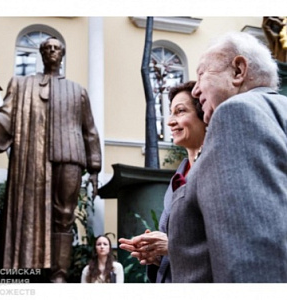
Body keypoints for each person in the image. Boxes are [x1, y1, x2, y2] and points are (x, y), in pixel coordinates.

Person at [168, 31, 287, 283]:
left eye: (201, 74)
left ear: (238, 71)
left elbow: (253, 254)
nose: (196, 90)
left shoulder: (236, 113)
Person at [0, 37, 101, 282]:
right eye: (47, 47)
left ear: (62, 54)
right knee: (29, 213)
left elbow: (89, 130)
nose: (51, 50)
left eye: (56, 48)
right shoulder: (22, 85)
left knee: (64, 216)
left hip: (70, 156)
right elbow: (4, 122)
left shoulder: (77, 90)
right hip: (32, 160)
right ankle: (23, 271)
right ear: (41, 53)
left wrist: (94, 168)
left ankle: (59, 275)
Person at [118, 81, 206, 283]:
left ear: (205, 114)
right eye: (171, 113)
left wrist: (172, 246)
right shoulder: (176, 179)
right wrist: (157, 257)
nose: (170, 122)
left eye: (180, 111)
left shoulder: (218, 171)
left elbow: (225, 245)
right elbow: (175, 250)